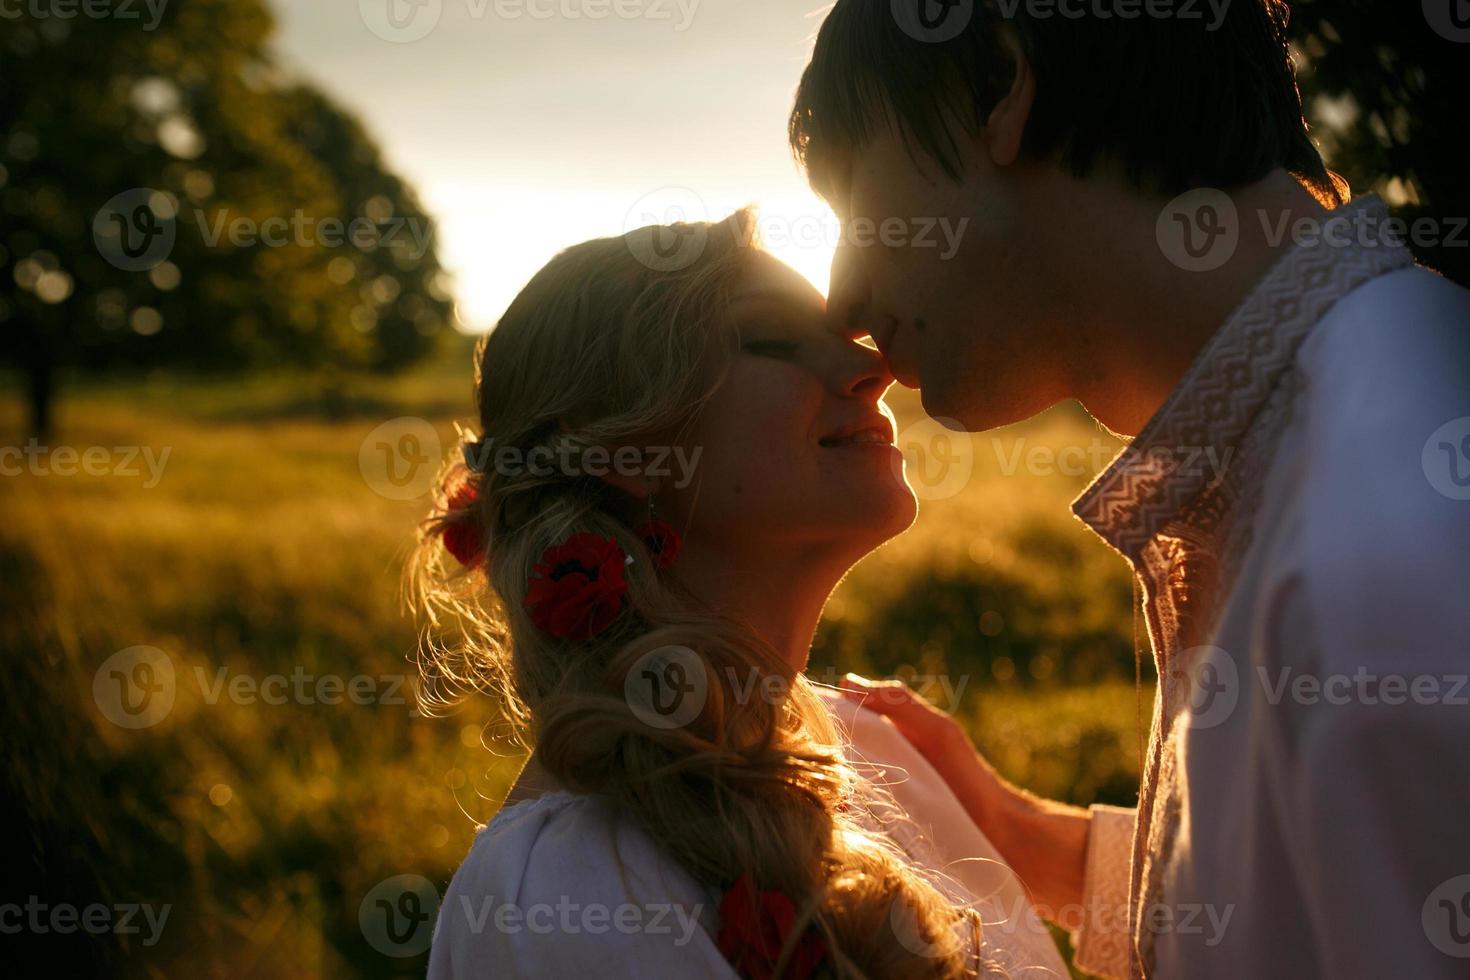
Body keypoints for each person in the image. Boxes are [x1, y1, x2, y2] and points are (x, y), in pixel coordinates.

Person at [790, 1, 1470, 977]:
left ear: (998, 89)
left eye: (854, 203)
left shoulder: (1385, 541)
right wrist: (1024, 838)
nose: (842, 303)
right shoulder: (1327, 446)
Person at [410, 210, 1069, 978]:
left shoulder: (878, 750)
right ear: (625, 449)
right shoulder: (561, 896)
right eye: (771, 340)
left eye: (841, 336)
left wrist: (1019, 829)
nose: (874, 369)